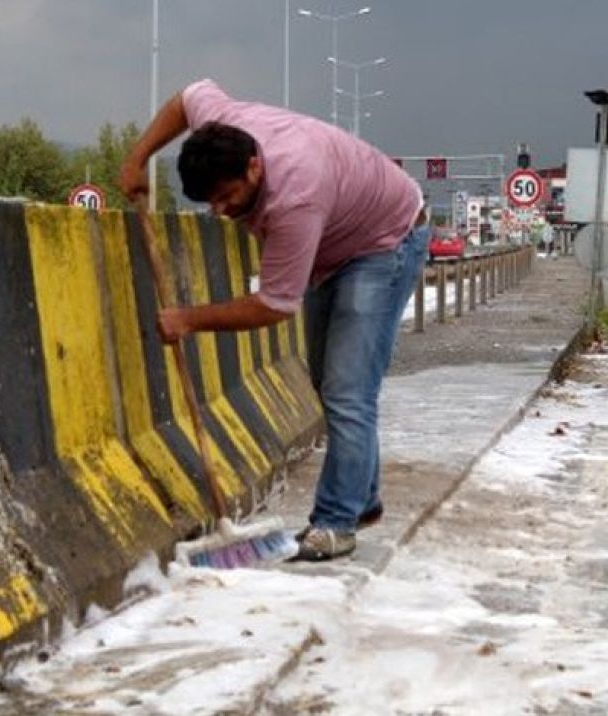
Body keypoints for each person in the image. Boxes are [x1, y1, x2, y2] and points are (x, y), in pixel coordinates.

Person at [119, 79, 428, 562]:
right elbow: (189, 95)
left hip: (385, 243)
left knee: (349, 389)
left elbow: (274, 305)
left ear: (255, 166)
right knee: (331, 383)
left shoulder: (294, 197)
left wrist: (189, 319)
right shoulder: (221, 129)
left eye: (228, 197)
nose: (221, 212)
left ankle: (335, 523)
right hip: (335, 246)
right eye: (210, 203)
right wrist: (138, 159)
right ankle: (360, 498)